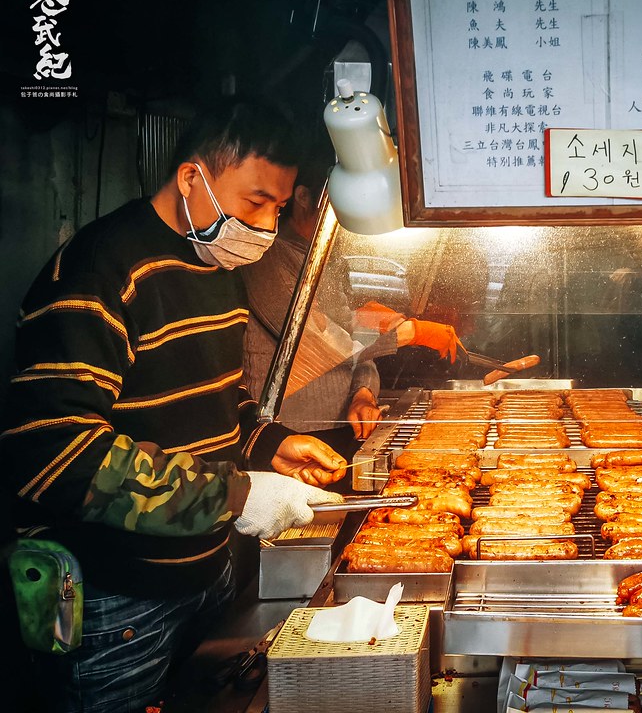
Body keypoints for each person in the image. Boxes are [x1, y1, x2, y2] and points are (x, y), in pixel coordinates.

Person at [0, 98, 353, 712]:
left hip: (207, 576)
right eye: (254, 202)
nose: (267, 226)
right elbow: (55, 456)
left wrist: (271, 445)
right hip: (114, 602)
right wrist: (239, 495)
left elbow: (221, 398)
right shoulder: (99, 272)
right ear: (194, 177)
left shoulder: (217, 267)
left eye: (276, 205)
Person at [242, 154, 470, 453]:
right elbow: (315, 339)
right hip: (289, 435)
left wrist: (363, 392)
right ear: (302, 197)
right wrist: (409, 333)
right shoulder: (266, 259)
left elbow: (354, 344)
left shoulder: (323, 255)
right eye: (340, 200)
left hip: (342, 428)